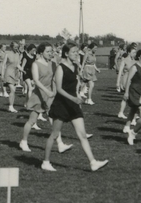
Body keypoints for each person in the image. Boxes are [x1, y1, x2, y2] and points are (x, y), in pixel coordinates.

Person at [42, 43, 108, 172]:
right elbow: (59, 89)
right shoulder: (60, 68)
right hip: (61, 104)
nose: (76, 54)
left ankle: (93, 162)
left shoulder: (76, 66)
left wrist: (77, 95)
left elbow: (76, 83)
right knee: (55, 135)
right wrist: (73, 98)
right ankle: (45, 162)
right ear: (66, 53)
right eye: (73, 52)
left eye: (77, 52)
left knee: (82, 135)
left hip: (73, 104)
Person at [20, 43, 62, 152]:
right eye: (47, 51)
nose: (50, 53)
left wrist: (55, 91)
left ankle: (60, 143)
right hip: (39, 95)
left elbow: (55, 78)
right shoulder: (36, 64)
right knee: (32, 120)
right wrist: (47, 92)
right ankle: (24, 141)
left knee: (54, 118)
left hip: (50, 94)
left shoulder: (53, 63)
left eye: (51, 51)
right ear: (41, 52)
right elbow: (36, 81)